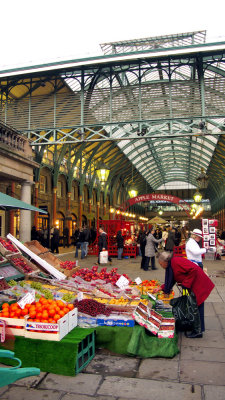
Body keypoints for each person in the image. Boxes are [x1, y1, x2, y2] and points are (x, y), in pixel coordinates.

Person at [157, 251, 215, 338]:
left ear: (165, 261)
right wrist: (161, 287)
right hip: (191, 285)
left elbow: (194, 269)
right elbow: (172, 279)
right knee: (193, 306)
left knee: (196, 306)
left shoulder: (176, 262)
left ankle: (198, 332)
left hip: (197, 284)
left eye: (161, 264)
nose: (161, 267)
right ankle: (197, 327)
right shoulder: (172, 264)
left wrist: (186, 283)